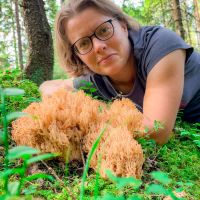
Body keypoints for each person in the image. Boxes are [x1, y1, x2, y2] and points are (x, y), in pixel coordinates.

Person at [39, 0, 200, 144]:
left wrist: (89, 110)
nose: (98, 47)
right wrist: (51, 93)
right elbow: (50, 86)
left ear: (123, 25)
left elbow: (157, 132)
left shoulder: (161, 46)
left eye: (103, 30)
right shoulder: (97, 80)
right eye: (84, 43)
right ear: (78, 56)